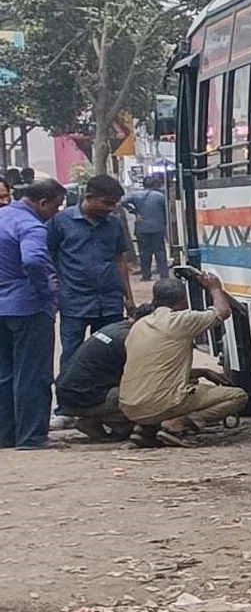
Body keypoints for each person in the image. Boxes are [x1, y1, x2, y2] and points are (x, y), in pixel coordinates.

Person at [119, 265, 246, 446]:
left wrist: (202, 372)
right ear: (182, 301)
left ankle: (147, 429)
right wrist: (215, 288)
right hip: (161, 403)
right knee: (237, 396)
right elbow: (223, 312)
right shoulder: (180, 320)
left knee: (184, 385)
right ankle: (178, 424)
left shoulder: (139, 325)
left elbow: (159, 367)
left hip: (130, 407)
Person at [48, 174, 137, 361]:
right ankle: (69, 390)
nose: (111, 208)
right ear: (89, 197)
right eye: (107, 203)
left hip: (110, 303)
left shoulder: (113, 223)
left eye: (114, 204)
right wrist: (54, 292)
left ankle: (104, 391)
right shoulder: (60, 221)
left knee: (109, 354)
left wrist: (128, 298)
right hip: (74, 304)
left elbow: (119, 260)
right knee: (72, 355)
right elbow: (48, 258)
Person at [0, 179, 61, 449]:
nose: (56, 213)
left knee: (4, 374)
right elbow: (33, 259)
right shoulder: (31, 226)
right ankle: (31, 437)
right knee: (32, 374)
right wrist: (47, 289)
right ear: (43, 202)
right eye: (56, 206)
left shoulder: (3, 217)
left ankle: (5, 435)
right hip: (28, 307)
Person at [55, 306, 145, 442]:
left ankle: (93, 421)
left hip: (70, 396)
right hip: (86, 397)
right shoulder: (128, 339)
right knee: (142, 397)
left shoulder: (116, 328)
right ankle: (111, 423)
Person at [126, 173, 172, 277]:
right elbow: (166, 211)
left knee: (144, 252)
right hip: (158, 228)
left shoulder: (135, 195)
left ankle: (146, 274)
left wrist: (133, 211)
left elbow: (123, 201)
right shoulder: (160, 196)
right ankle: (164, 274)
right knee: (160, 252)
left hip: (141, 228)